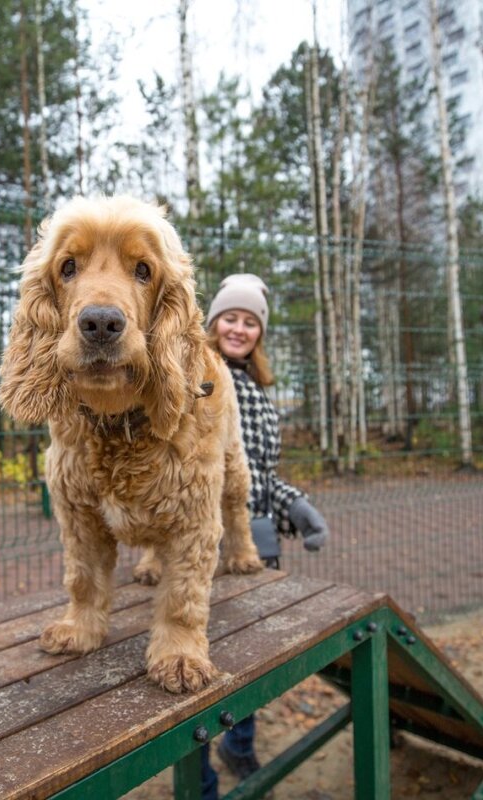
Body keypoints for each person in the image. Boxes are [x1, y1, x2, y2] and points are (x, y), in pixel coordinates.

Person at [199, 273, 331, 796]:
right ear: (213, 324)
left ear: (259, 333)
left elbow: (262, 474)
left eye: (249, 321)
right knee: (201, 660)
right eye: (230, 317)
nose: (238, 328)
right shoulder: (199, 377)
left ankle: (239, 745)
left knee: (253, 656)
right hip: (206, 542)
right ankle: (202, 774)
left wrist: (296, 506)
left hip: (259, 543)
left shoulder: (257, 390)